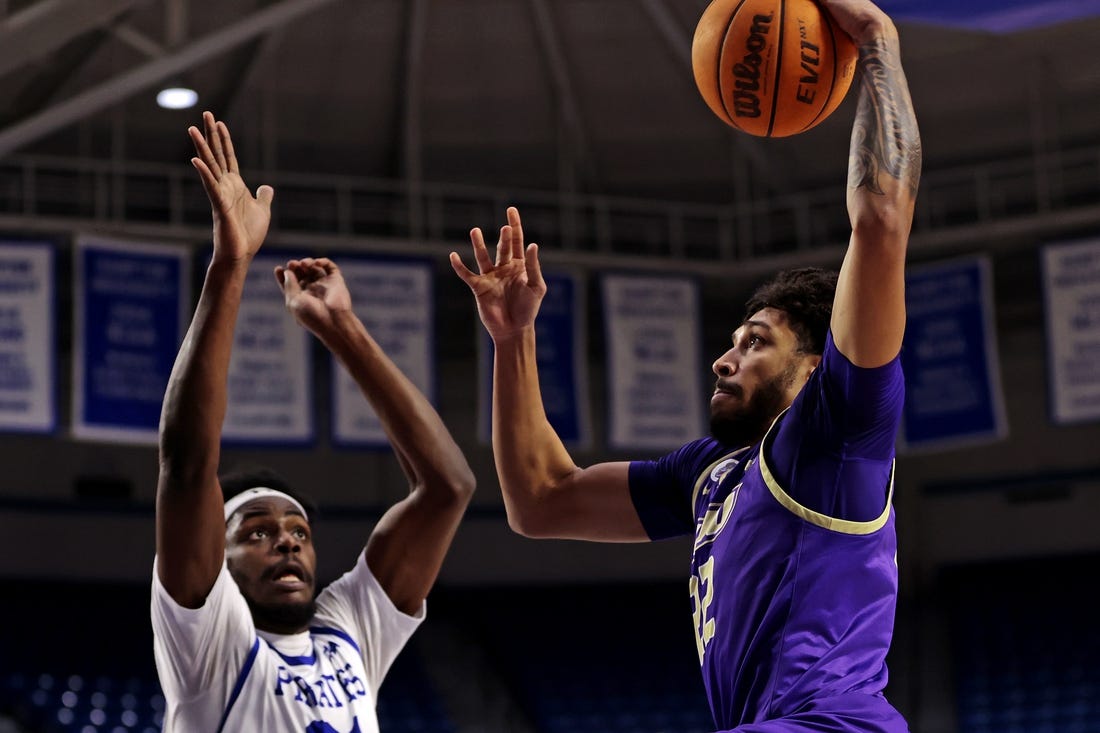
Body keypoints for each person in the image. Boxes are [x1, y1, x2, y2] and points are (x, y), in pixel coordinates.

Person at [449, 0, 920, 729]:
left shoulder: (836, 435)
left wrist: (877, 43)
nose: (723, 359)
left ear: (815, 365)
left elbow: (882, 221)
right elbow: (542, 500)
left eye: (756, 341)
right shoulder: (707, 474)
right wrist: (514, 340)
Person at [152, 111, 475, 733]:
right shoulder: (210, 644)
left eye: (297, 530)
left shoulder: (348, 630)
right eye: (256, 532)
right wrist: (231, 264)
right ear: (216, 561)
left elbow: (447, 488)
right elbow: (189, 463)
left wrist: (342, 329)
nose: (287, 541)